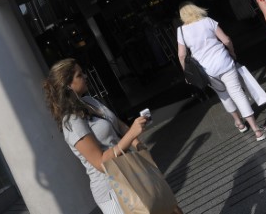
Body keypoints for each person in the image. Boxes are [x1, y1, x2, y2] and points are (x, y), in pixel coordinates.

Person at [43, 58, 180, 214]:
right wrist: (131, 135)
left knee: (168, 208)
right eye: (80, 75)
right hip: (112, 188)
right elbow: (101, 163)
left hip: (129, 170)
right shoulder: (72, 121)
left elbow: (118, 124)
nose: (86, 76)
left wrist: (137, 143)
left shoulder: (89, 101)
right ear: (68, 85)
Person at [177, 2, 266, 141]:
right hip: (224, 62)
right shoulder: (207, 21)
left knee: (223, 95)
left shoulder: (181, 31)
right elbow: (226, 40)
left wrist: (186, 73)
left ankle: (239, 123)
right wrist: (232, 52)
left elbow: (182, 55)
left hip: (206, 70)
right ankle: (256, 130)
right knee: (237, 93)